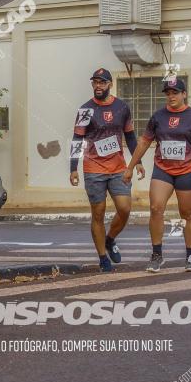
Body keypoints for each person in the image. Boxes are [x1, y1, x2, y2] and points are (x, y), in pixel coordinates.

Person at [123, 76, 191, 272]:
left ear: (184, 94)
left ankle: (190, 256)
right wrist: (130, 166)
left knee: (187, 213)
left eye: (175, 93)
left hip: (188, 170)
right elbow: (144, 142)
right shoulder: (158, 116)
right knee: (155, 208)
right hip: (162, 169)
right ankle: (157, 255)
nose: (171, 96)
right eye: (168, 93)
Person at [70, 68, 145, 272]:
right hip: (93, 167)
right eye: (95, 82)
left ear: (110, 84)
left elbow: (129, 136)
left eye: (102, 82)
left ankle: (110, 239)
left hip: (118, 167)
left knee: (125, 208)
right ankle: (103, 257)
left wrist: (137, 160)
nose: (98, 86)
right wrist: (73, 168)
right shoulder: (85, 110)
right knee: (98, 213)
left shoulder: (122, 107)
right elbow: (77, 139)